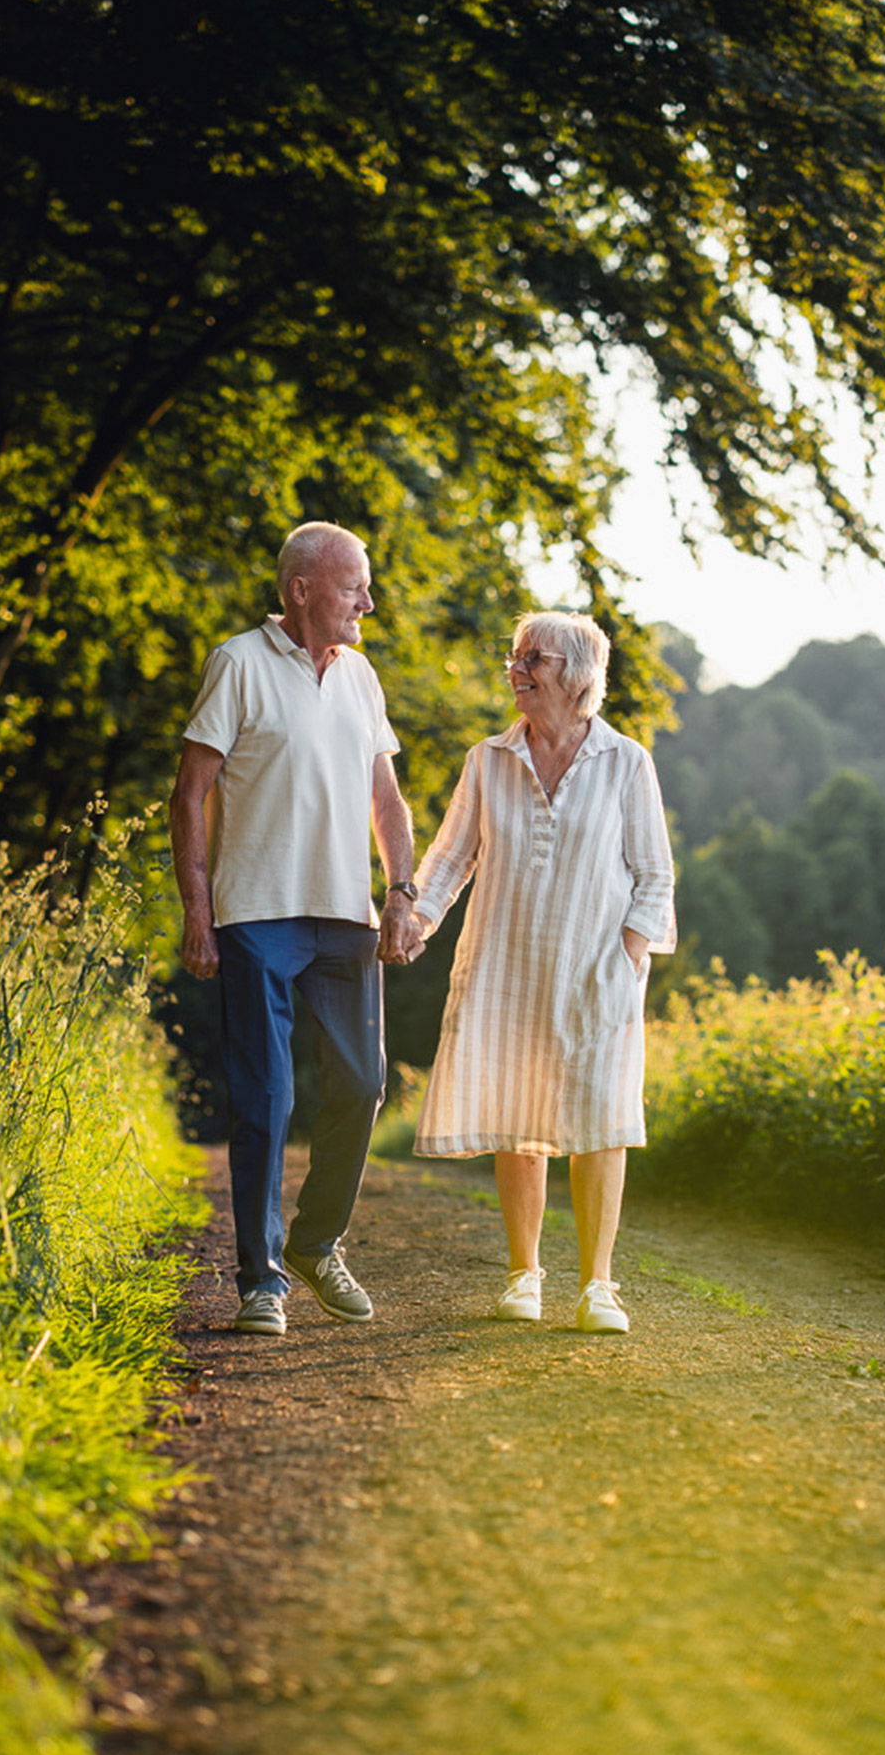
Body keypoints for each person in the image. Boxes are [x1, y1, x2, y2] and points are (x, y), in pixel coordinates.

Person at [170, 522, 418, 1337]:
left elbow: (387, 799)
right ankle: (261, 1280)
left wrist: (402, 892)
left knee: (362, 1083)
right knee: (267, 1098)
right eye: (354, 587)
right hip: (255, 914)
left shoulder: (361, 676)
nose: (367, 602)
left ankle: (314, 1243)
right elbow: (190, 793)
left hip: (346, 915)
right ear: (302, 590)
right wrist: (198, 913)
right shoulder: (238, 663)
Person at [408, 610, 675, 1333]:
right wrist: (414, 921)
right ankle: (523, 1276)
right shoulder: (487, 759)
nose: (516, 669)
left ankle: (598, 1287)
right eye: (515, 656)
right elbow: (450, 858)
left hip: (597, 971)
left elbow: (655, 877)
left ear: (577, 674)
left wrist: (627, 955)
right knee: (515, 1113)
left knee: (601, 1119)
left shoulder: (626, 762)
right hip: (506, 962)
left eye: (534, 658)